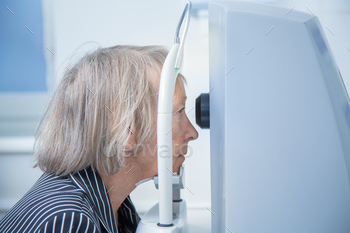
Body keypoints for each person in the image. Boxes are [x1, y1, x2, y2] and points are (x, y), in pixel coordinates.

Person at [0, 45, 199, 233]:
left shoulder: (115, 203)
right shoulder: (70, 221)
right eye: (179, 111)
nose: (193, 133)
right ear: (125, 129)